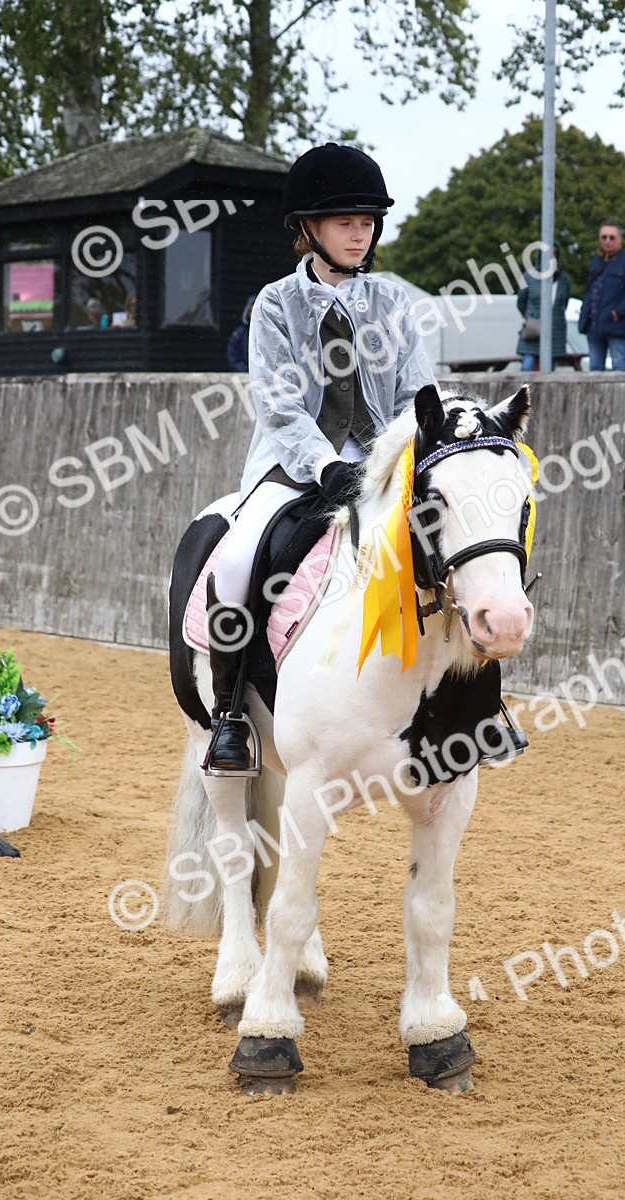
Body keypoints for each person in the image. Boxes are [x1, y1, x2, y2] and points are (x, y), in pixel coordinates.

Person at [205, 142, 437, 773]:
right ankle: (230, 717)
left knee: (457, 550)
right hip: (293, 467)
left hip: (384, 468)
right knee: (236, 561)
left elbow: (419, 393)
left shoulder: (392, 304)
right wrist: (327, 465)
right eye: (345, 223)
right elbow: (279, 405)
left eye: (367, 223)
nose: (359, 235)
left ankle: (470, 706)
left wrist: (412, 448)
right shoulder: (276, 305)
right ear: (307, 228)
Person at [578, 222, 625, 370]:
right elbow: (589, 290)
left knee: (619, 367)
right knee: (595, 369)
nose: (607, 241)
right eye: (604, 237)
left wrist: (619, 311)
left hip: (616, 325)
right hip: (594, 324)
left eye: (612, 237)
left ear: (619, 240)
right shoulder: (596, 260)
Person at [516, 243, 571, 371]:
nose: (551, 258)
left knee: (548, 370)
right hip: (533, 330)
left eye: (554, 254)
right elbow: (521, 302)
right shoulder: (529, 277)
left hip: (554, 331)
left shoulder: (563, 280)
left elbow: (564, 304)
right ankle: (523, 391)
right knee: (527, 366)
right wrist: (532, 316)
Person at [226, 295, 256, 371]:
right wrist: (246, 370)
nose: (253, 315)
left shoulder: (268, 333)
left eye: (256, 311)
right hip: (244, 377)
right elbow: (233, 357)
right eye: (251, 311)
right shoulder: (239, 334)